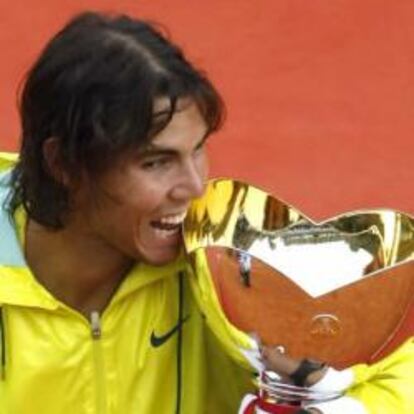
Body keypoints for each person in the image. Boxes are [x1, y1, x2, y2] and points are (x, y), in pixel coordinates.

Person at [0, 11, 251, 413]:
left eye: (198, 150)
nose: (196, 187)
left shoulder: (228, 266)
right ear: (64, 164)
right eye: (156, 162)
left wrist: (319, 389)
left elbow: (382, 374)